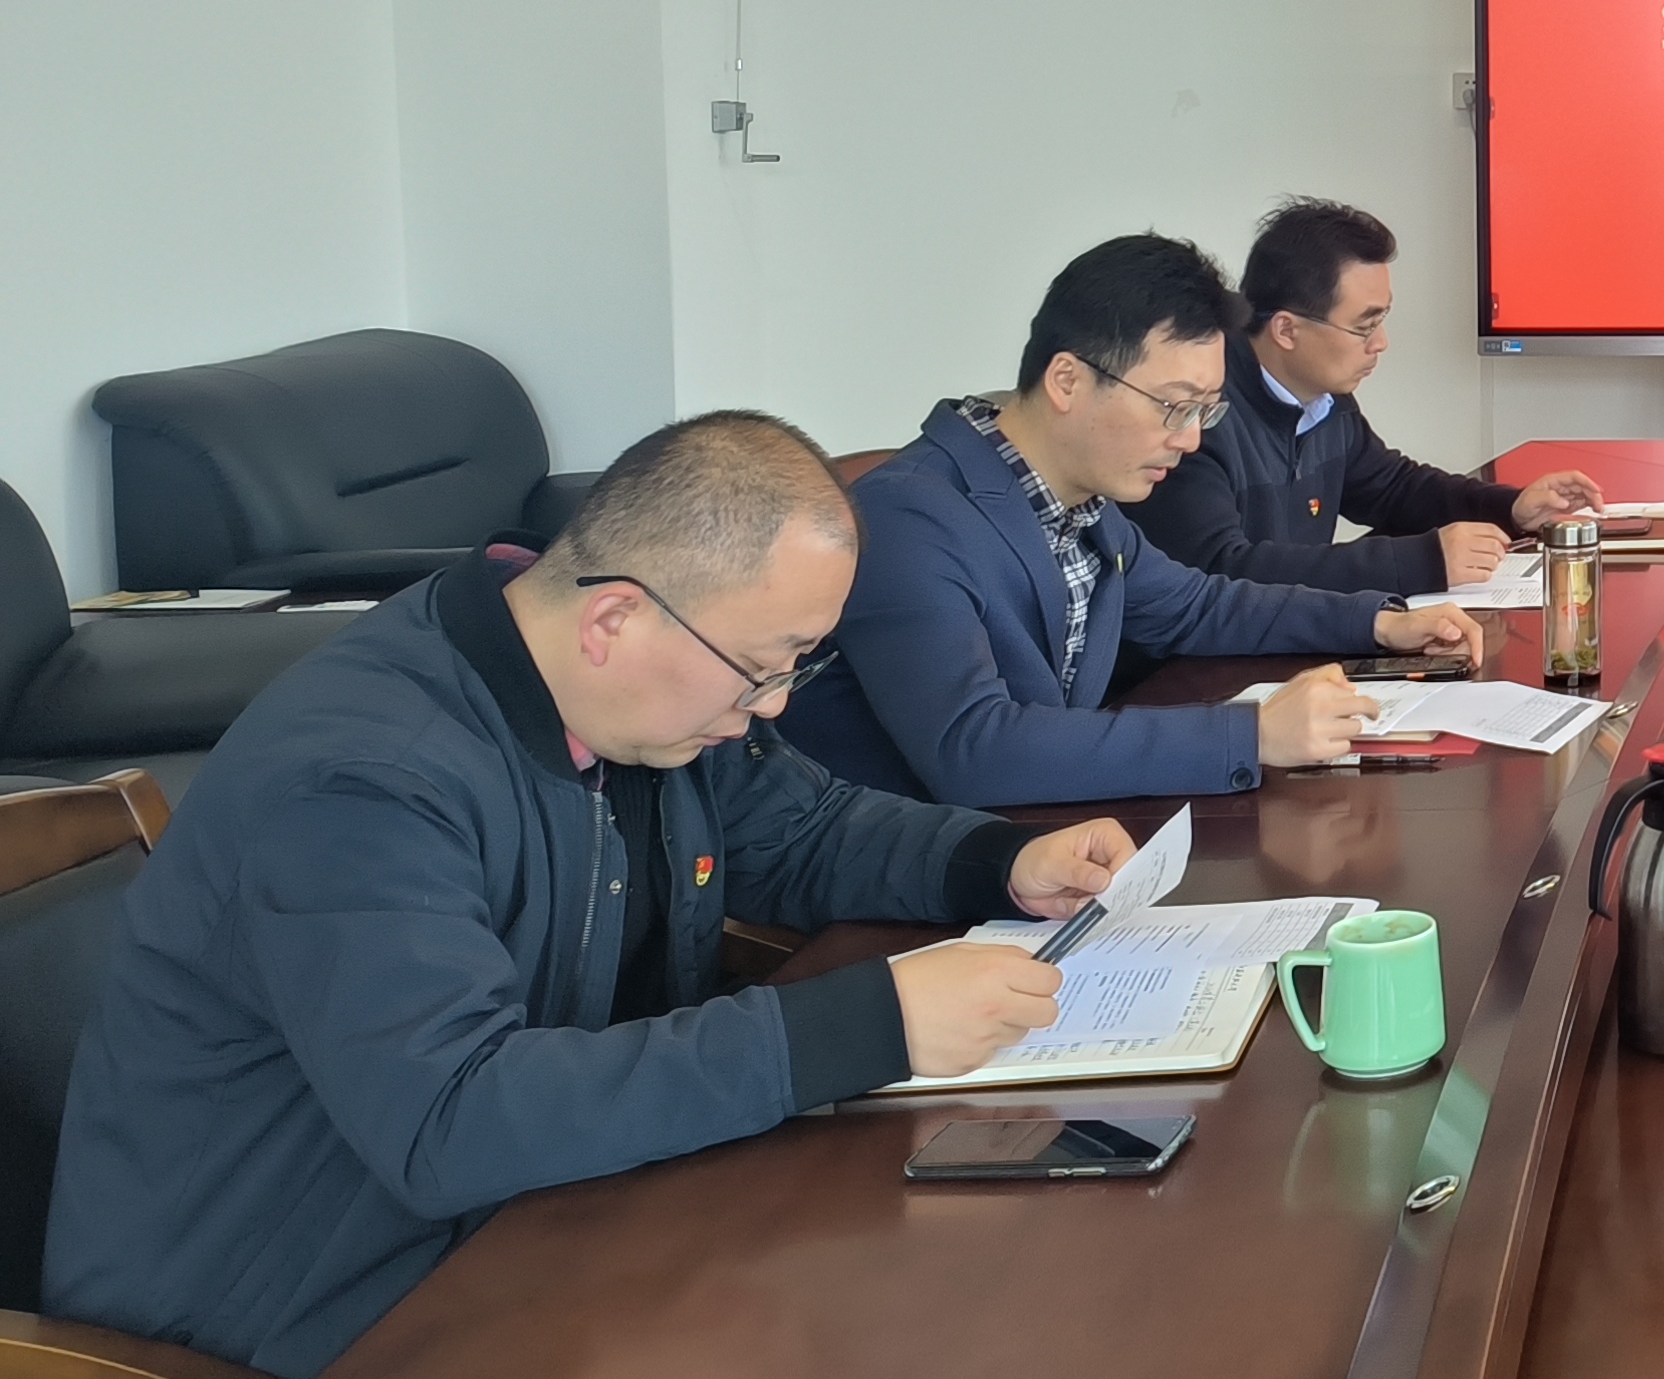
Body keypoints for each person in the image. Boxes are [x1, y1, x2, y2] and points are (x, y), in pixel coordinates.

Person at [46, 412, 1122, 1379]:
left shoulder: (639, 696)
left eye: (796, 664)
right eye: (764, 668)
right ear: (614, 618)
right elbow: (453, 1118)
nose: (772, 706)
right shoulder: (361, 781)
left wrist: (997, 861)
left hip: (552, 1211)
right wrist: (866, 1023)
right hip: (304, 1301)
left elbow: (806, 828)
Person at [782, 233, 1490, 807]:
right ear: (1067, 380)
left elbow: (1197, 606)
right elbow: (976, 749)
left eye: (1205, 410)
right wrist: (1248, 735)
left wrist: (1378, 622)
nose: (1191, 438)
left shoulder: (1084, 505)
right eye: (1173, 406)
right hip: (909, 886)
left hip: (1042, 839)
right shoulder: (908, 518)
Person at [1129, 196, 1599, 594]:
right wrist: (1421, 561)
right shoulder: (1198, 416)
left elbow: (1393, 489)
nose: (1380, 343)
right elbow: (1220, 569)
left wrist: (1509, 507)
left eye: (1381, 320)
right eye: (1363, 326)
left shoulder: (1325, 402)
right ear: (1286, 330)